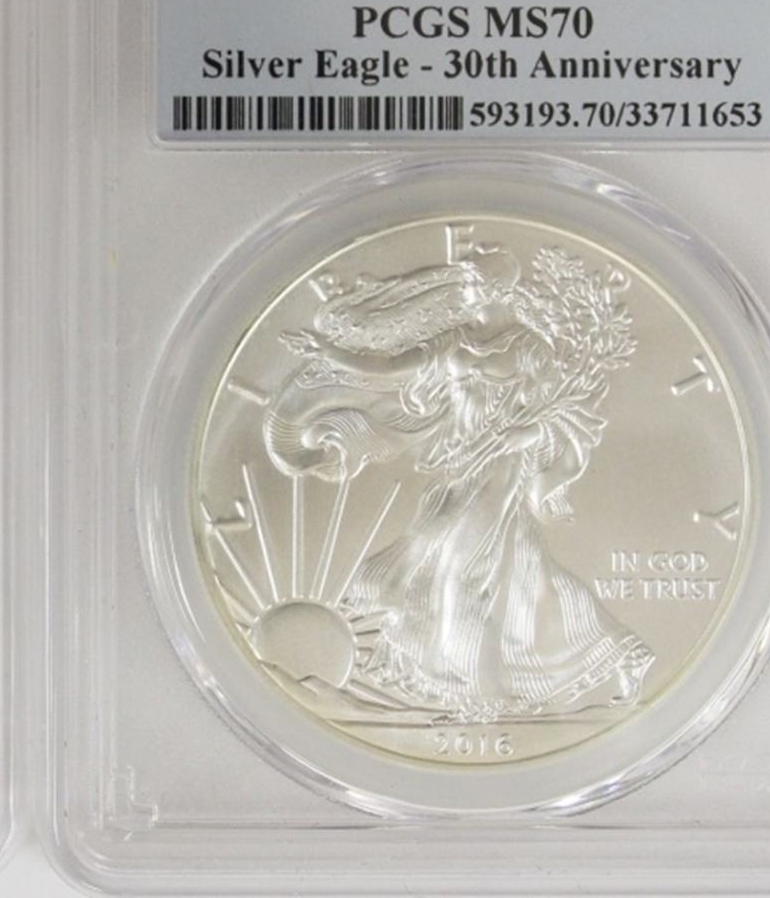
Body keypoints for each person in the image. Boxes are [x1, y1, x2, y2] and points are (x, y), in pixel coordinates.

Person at [263, 243, 655, 722]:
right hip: (460, 463)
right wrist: (330, 352)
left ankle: (479, 694)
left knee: (458, 572)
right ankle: (623, 654)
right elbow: (390, 367)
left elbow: (558, 416)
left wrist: (521, 434)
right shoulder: (453, 340)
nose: (465, 291)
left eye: (474, 283)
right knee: (486, 569)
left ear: (498, 289)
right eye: (466, 282)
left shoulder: (530, 348)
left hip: (500, 467)